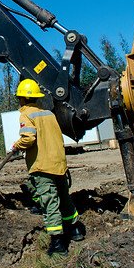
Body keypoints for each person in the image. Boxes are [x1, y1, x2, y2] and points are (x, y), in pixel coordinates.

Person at [10, 79, 84, 256]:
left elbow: (28, 138)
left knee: (50, 202)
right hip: (58, 164)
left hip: (42, 167)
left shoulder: (26, 115)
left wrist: (16, 146)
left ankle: (58, 244)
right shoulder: (49, 114)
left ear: (21, 98)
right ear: (36, 98)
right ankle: (75, 231)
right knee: (64, 198)